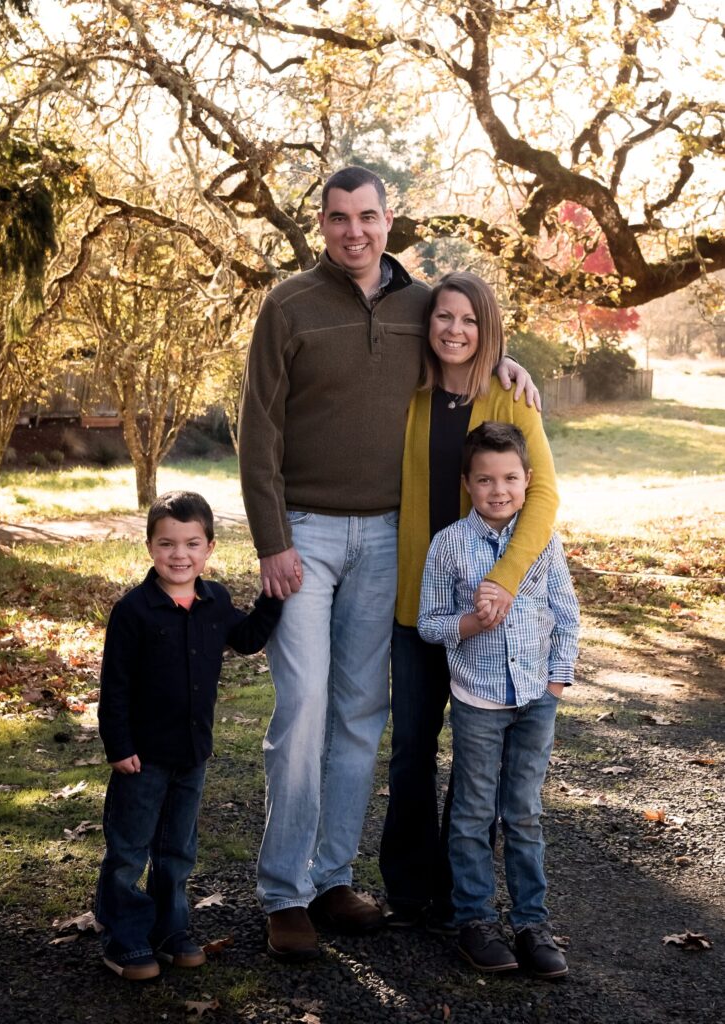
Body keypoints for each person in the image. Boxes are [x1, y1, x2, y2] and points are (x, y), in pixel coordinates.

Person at [237, 166, 537, 962]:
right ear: (322, 225)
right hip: (303, 535)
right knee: (300, 711)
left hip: (385, 537)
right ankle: (283, 893)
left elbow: (464, 342)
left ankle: (332, 878)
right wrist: (271, 539)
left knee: (357, 714)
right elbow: (257, 427)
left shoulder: (416, 305)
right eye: (337, 219)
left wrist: (512, 366)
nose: (353, 232)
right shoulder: (289, 304)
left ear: (389, 219)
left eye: (366, 216)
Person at [380, 272, 560, 933]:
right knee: (411, 747)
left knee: (477, 755)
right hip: (419, 605)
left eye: (470, 321)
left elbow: (541, 496)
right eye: (443, 317)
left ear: (489, 330)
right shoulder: (410, 394)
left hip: (493, 613)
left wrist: (504, 581)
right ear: (428, 325)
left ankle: (465, 892)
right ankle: (407, 889)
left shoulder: (511, 396)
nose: (455, 330)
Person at [96, 490, 281, 981]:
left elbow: (246, 640)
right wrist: (119, 746)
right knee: (129, 848)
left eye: (192, 543)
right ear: (150, 548)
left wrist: (273, 596)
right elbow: (114, 685)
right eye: (167, 544)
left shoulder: (214, 600)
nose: (180, 555)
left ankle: (170, 928)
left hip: (192, 753)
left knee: (177, 849)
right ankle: (125, 936)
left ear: (210, 549)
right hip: (142, 756)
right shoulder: (133, 611)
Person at [417, 422, 579, 977]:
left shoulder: (542, 541)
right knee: (472, 812)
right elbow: (428, 623)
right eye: (485, 479)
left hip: (536, 698)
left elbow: (566, 614)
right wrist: (468, 623)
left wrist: (557, 684)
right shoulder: (449, 546)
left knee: (525, 812)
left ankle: (532, 922)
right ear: (467, 483)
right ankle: (475, 920)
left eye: (510, 478)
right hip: (477, 700)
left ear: (528, 481)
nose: (499, 490)